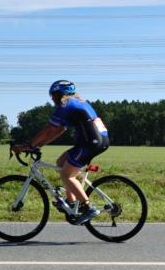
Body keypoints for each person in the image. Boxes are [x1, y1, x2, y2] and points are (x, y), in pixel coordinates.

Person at [13, 81, 109, 225]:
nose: (52, 99)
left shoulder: (65, 105)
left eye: (53, 95)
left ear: (60, 94)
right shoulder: (78, 102)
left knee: (66, 174)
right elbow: (58, 130)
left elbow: (48, 130)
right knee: (61, 162)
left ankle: (88, 207)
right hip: (96, 140)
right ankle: (71, 203)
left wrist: (28, 145)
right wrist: (38, 145)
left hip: (90, 142)